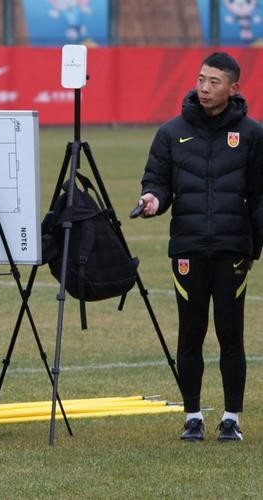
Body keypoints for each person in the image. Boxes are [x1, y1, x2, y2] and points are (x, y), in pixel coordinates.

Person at [137, 51, 263, 442]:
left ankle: (231, 418)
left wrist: (254, 247)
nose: (204, 88)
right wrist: (152, 199)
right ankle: (192, 416)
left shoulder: (252, 134)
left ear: (233, 88)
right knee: (191, 333)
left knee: (230, 334)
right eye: (201, 79)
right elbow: (157, 182)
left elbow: (259, 196)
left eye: (214, 82)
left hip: (232, 249)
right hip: (188, 249)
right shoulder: (170, 132)